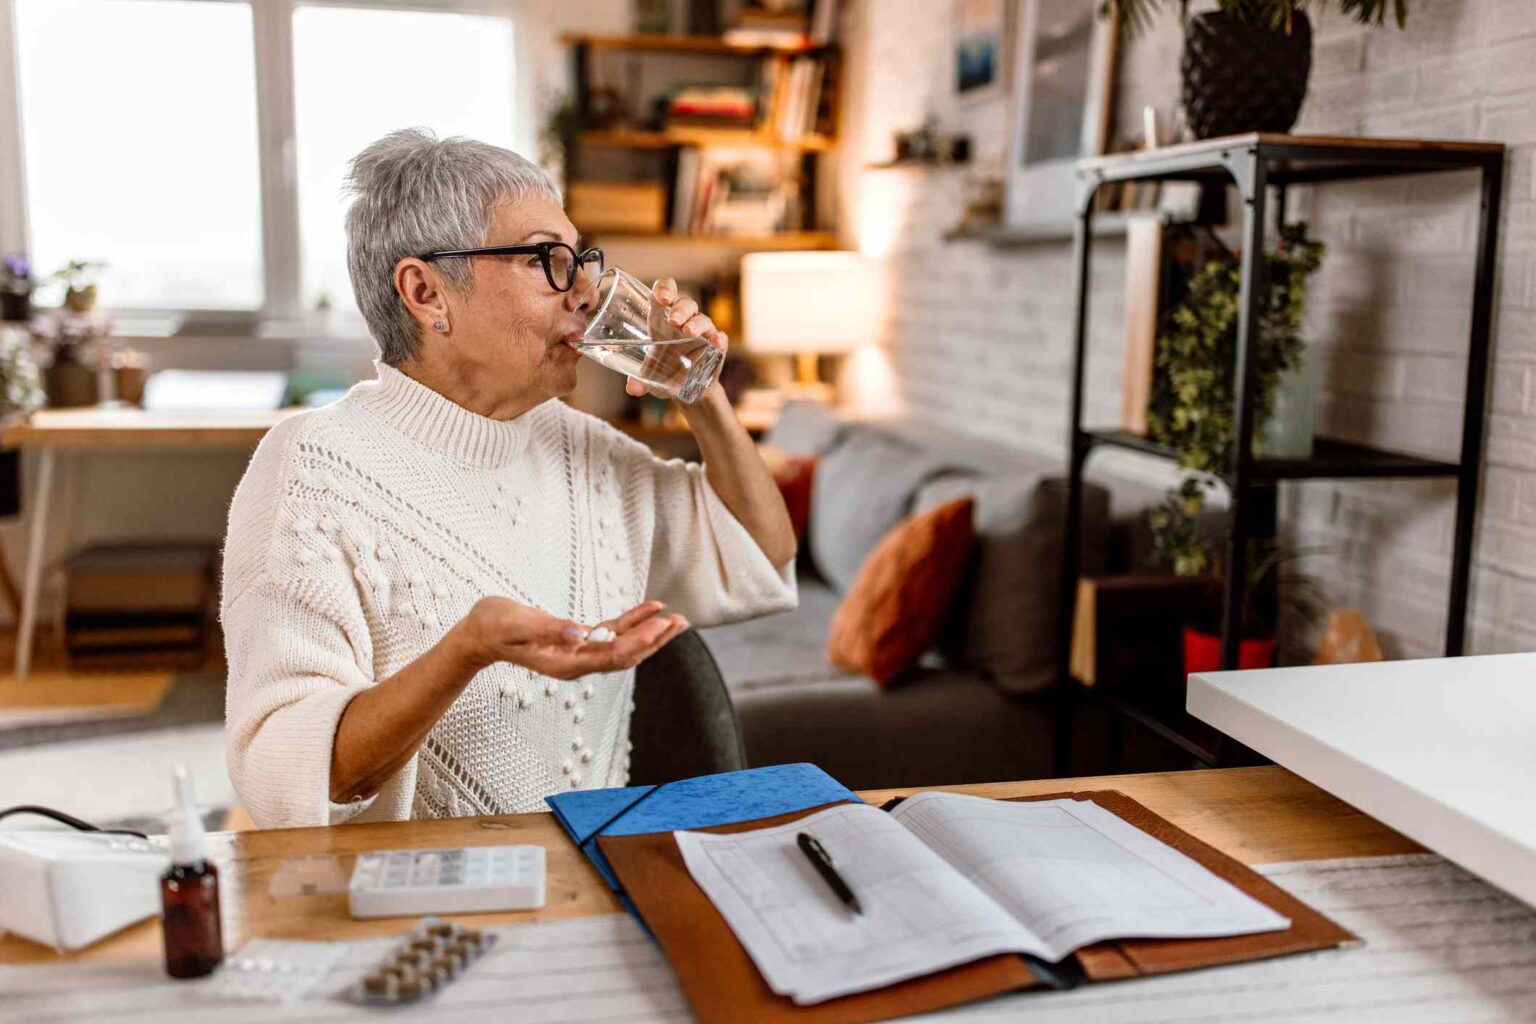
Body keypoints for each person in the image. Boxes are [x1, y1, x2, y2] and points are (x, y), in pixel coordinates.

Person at [221, 129, 797, 828]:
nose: (587, 292)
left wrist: (700, 392)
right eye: (546, 260)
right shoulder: (312, 471)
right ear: (426, 293)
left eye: (581, 259)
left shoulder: (578, 444)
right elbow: (287, 775)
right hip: (409, 891)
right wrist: (464, 652)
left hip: (590, 874)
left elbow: (759, 552)